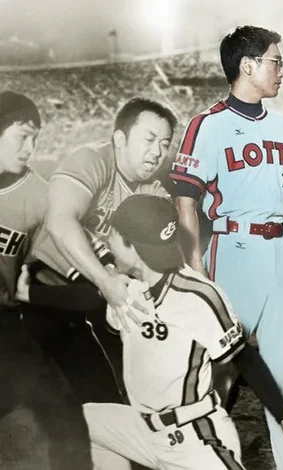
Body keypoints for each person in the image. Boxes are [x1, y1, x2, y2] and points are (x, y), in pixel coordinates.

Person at [170, 26, 283, 470]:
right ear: (248, 66)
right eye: (275, 62)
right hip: (233, 250)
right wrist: (195, 272)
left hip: (280, 251)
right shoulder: (207, 125)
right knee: (214, 371)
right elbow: (186, 202)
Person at [84, 194, 283, 470]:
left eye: (112, 235)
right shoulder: (126, 289)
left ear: (131, 246)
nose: (107, 241)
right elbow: (98, 315)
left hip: (193, 436)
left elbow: (244, 357)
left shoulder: (198, 295)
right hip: (142, 429)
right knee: (80, 422)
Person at [21, 97, 177, 404]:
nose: (157, 151)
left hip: (95, 287)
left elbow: (155, 260)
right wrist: (105, 280)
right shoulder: (91, 160)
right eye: (149, 139)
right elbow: (59, 222)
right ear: (120, 139)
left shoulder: (157, 188)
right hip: (44, 275)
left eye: (165, 143)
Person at [0, 91, 92, 469]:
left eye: (36, 139)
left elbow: (73, 265)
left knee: (65, 415)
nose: (31, 149)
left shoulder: (38, 195)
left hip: (5, 331)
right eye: (23, 136)